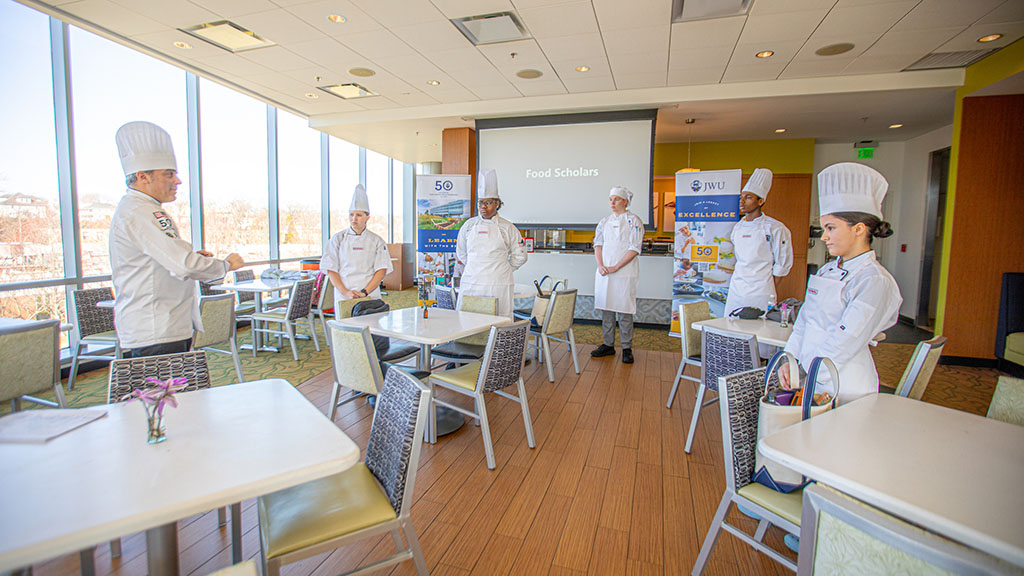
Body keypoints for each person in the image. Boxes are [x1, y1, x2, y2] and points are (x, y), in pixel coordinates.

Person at [110, 121, 244, 358]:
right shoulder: (140, 212)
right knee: (164, 395)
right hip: (155, 329)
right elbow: (182, 264)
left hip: (163, 326)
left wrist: (193, 258)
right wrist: (225, 265)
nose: (177, 182)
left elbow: (164, 258)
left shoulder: (141, 210)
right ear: (143, 177)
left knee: (174, 395)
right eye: (169, 174)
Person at [780, 162, 902, 405]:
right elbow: (805, 320)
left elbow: (845, 341)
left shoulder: (874, 281)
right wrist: (789, 358)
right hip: (808, 375)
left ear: (858, 229)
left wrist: (809, 373)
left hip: (844, 384)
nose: (824, 236)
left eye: (831, 228)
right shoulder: (827, 270)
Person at [724, 168, 793, 355]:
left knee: (760, 339)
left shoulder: (775, 228)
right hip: (738, 288)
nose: (742, 202)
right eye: (741, 197)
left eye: (748, 197)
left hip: (761, 290)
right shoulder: (738, 228)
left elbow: (782, 265)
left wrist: (769, 287)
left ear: (761, 201)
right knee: (732, 332)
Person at [455, 169, 528, 319]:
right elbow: (461, 251)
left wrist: (503, 269)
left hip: (498, 283)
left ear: (497, 204)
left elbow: (520, 256)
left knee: (497, 323)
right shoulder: (468, 226)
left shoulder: (508, 227)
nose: (483, 206)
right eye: (480, 202)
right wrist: (476, 265)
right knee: (468, 321)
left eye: (487, 203)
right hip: (471, 282)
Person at [591, 186, 645, 364]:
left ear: (625, 201)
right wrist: (601, 265)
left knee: (624, 310)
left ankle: (627, 348)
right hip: (605, 272)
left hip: (624, 272)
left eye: (616, 199)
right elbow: (598, 244)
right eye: (610, 199)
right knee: (606, 308)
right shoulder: (604, 221)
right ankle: (608, 345)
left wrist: (616, 267)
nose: (612, 203)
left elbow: (634, 248)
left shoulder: (634, 221)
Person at [320, 184, 393, 312]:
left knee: (371, 328)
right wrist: (346, 292)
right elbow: (331, 269)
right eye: (351, 214)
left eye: (358, 215)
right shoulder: (337, 239)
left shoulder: (377, 241)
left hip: (370, 295)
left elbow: (381, 270)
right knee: (345, 330)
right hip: (344, 295)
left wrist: (364, 292)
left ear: (367, 218)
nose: (354, 218)